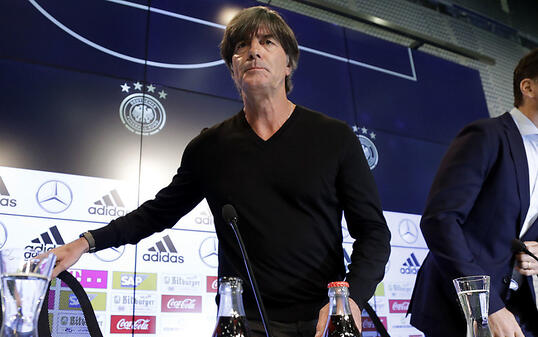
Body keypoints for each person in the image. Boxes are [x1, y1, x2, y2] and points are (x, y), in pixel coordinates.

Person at [51, 6, 391, 337]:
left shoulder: (333, 137)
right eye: (242, 46)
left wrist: (351, 299)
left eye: (267, 42)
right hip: (242, 321)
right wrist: (85, 243)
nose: (253, 51)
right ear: (232, 70)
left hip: (324, 320)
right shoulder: (209, 147)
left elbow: (373, 233)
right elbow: (156, 213)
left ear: (288, 64)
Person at [409, 48, 538, 337]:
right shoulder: (487, 135)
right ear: (528, 87)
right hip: (463, 309)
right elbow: (440, 221)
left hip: (521, 309)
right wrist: (486, 306)